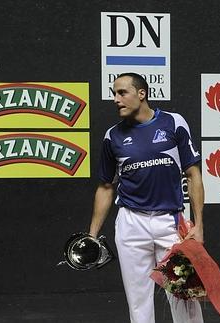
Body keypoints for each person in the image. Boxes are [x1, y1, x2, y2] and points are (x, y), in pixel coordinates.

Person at [88, 72, 205, 323]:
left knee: (185, 297)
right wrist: (92, 235)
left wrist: (199, 223)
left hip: (171, 223)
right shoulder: (112, 136)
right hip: (131, 224)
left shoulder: (174, 123)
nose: (116, 99)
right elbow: (106, 187)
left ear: (142, 94)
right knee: (138, 300)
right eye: (114, 93)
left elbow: (194, 174)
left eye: (122, 92)